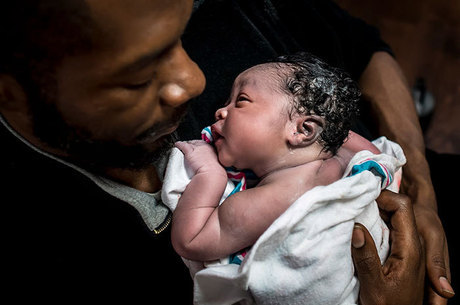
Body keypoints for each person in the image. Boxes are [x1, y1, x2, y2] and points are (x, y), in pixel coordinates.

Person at [0, 0, 452, 303]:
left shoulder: (227, 9)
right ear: (10, 92)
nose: (194, 81)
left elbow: (363, 48)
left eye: (181, 37)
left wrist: (418, 184)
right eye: (136, 77)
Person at [164, 53, 405, 304]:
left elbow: (191, 240)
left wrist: (209, 175)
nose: (220, 111)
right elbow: (374, 154)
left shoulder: (272, 199)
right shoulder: (342, 157)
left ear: (302, 130)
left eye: (241, 101)